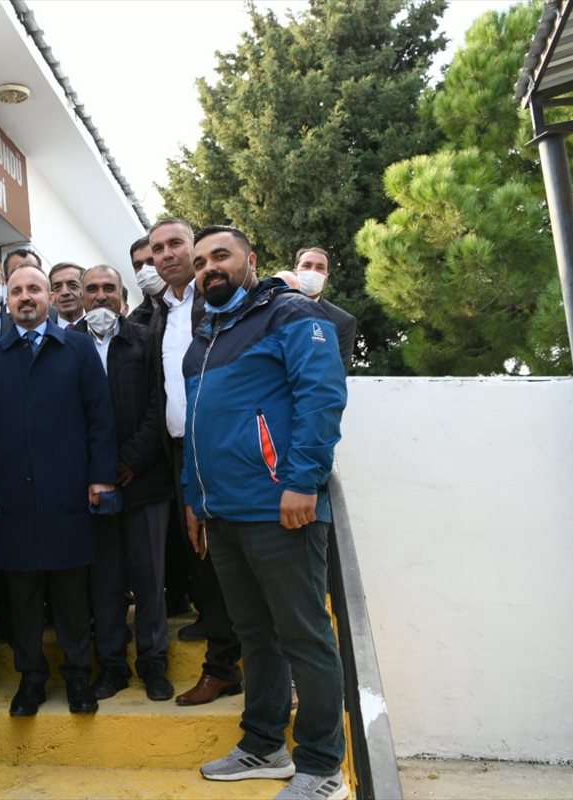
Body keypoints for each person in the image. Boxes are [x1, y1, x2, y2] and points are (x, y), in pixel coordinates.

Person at [182, 226, 348, 800]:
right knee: (255, 635)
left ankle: (322, 767)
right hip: (223, 512)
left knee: (305, 637)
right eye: (200, 262)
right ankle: (263, 746)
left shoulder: (291, 312)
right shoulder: (203, 338)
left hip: (282, 508)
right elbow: (196, 427)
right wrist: (195, 497)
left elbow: (321, 397)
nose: (209, 268)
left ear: (250, 260)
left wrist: (303, 481)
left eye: (220, 255)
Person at [0, 264, 118, 718]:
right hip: (10, 498)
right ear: (7, 301)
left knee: (71, 594)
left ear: (49, 297)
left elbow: (100, 416)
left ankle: (77, 676)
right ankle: (30, 678)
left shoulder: (78, 348)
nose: (25, 297)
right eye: (17, 291)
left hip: (69, 494)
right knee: (23, 598)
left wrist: (101, 476)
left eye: (34, 289)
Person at [147, 217, 243, 703]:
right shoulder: (158, 314)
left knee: (247, 561)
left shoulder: (226, 301)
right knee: (201, 557)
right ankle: (222, 666)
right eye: (157, 248)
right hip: (182, 453)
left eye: (176, 244)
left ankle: (275, 670)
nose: (167, 254)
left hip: (233, 447)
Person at [75, 265, 174, 702]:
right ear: (81, 296)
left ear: (123, 296)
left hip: (145, 481)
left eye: (109, 288)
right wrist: (96, 470)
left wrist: (130, 459)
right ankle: (112, 665)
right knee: (105, 581)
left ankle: (153, 664)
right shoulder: (67, 344)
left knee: (150, 578)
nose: (101, 296)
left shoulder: (146, 339)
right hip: (92, 487)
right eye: (92, 288)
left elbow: (161, 402)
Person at [293, 247, 356, 374]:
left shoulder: (342, 321)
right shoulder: (271, 310)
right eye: (307, 265)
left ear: (326, 278)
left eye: (320, 267)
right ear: (295, 272)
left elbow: (337, 373)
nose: (312, 272)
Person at [127, 235, 167, 327]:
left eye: (151, 262)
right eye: (138, 265)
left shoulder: (194, 299)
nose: (144, 270)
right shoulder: (133, 323)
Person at [49, 262, 86, 328]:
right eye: (57, 287)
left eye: (73, 285)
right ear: (51, 297)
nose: (65, 292)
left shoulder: (99, 330)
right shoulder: (42, 331)